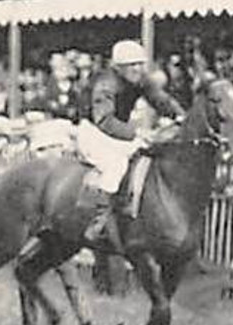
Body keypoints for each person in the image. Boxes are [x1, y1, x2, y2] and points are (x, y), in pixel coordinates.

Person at [72, 39, 185, 247]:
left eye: (140, 63)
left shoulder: (140, 79)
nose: (138, 69)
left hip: (116, 132)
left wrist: (180, 116)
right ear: (119, 67)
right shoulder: (106, 83)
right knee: (117, 164)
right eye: (132, 65)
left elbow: (160, 100)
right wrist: (137, 132)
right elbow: (104, 120)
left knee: (144, 156)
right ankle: (99, 223)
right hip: (93, 132)